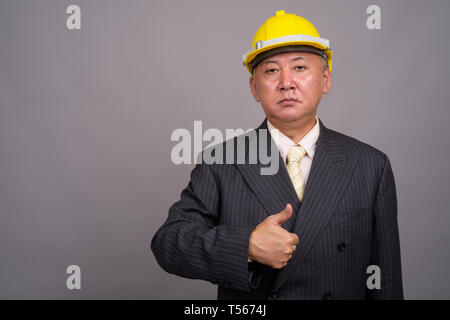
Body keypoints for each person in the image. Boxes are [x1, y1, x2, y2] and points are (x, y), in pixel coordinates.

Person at [151, 10, 403, 300]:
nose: (286, 83)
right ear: (254, 88)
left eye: (300, 68)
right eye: (271, 71)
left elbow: (386, 279)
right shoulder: (221, 162)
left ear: (325, 80)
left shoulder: (370, 166)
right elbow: (167, 243)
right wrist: (246, 246)